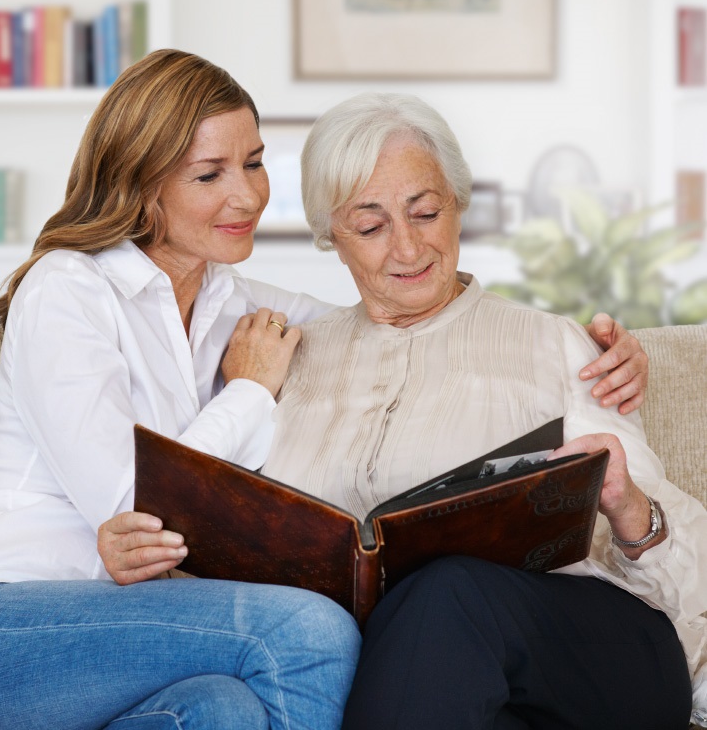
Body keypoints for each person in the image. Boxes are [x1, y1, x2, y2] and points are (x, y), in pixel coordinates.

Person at [0, 49, 648, 730]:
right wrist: (251, 394)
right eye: (209, 175)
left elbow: (405, 322)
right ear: (141, 186)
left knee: (226, 713)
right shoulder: (69, 289)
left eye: (254, 163)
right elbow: (137, 510)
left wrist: (588, 350)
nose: (247, 196)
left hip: (138, 655)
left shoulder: (237, 302)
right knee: (309, 630)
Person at [255, 92, 707, 729]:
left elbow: (689, 583)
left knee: (448, 589)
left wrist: (627, 503)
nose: (408, 248)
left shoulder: (556, 343)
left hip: (593, 650)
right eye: (371, 225)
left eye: (426, 212)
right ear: (331, 236)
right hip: (430, 676)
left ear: (458, 205)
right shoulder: (291, 360)